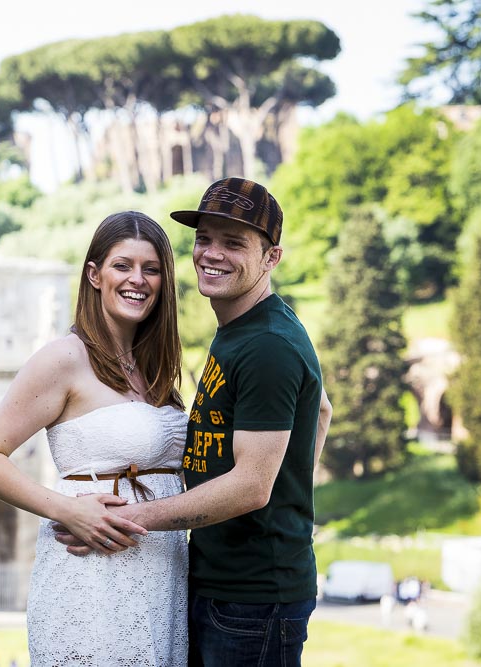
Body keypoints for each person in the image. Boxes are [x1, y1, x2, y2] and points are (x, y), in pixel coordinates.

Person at [56, 177, 333, 667]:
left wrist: (120, 520)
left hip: (252, 598)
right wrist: (290, 490)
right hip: (227, 584)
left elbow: (250, 488)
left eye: (234, 243)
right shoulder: (242, 329)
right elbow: (323, 410)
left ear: (272, 258)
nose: (212, 254)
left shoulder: (267, 344)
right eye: (204, 238)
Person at [0, 211, 190, 665]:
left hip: (161, 573)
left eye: (151, 269)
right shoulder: (64, 358)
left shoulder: (153, 367)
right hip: (91, 576)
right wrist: (66, 508)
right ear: (94, 275)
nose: (137, 280)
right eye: (122, 265)